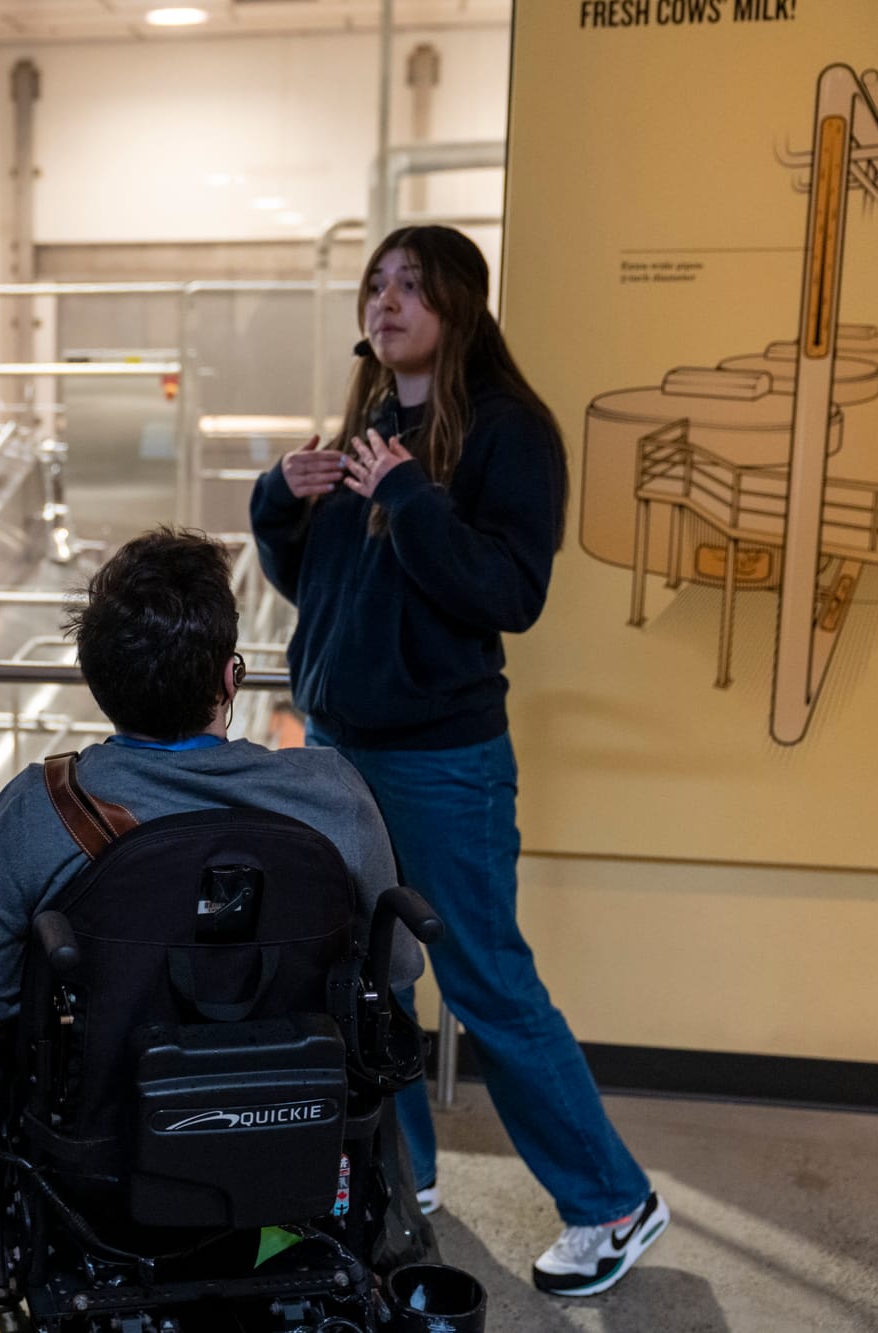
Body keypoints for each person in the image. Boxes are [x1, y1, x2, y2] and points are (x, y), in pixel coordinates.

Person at [249, 225, 666, 1298]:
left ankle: (612, 1199)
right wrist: (277, 503)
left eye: (408, 286)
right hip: (342, 745)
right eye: (373, 285)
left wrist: (405, 496)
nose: (384, 304)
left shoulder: (506, 433)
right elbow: (331, 594)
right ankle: (402, 1177)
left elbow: (503, 593)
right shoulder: (373, 423)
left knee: (483, 983)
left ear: (458, 304)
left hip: (439, 762)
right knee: (364, 981)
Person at [0, 526, 423, 1228]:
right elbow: (394, 971)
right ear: (230, 677)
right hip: (294, 1157)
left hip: (94, 1173)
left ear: (98, 682)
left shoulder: (42, 809)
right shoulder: (332, 795)